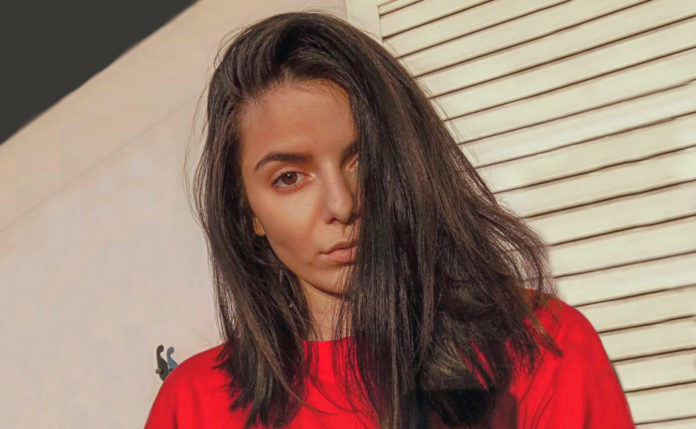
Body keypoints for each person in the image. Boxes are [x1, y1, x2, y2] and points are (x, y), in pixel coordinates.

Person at [144, 10, 635, 429]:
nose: (341, 204)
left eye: (365, 160)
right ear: (246, 211)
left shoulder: (539, 347)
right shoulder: (194, 405)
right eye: (289, 177)